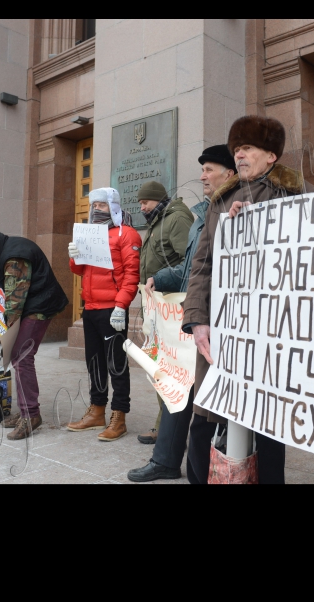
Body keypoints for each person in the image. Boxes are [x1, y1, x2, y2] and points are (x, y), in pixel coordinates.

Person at [183, 116, 314, 485]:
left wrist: (253, 225)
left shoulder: (290, 196)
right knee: (207, 416)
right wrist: (197, 320)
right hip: (222, 328)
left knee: (266, 421)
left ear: (271, 156)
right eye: (237, 149)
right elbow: (203, 266)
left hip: (268, 331)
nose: (240, 155)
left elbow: (303, 257)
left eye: (249, 148)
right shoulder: (219, 201)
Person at [128, 145, 237, 482]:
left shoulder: (237, 211)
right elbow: (191, 269)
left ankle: (221, 467)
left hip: (219, 323)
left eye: (210, 169)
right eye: (202, 169)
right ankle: (165, 461)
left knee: (212, 406)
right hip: (192, 322)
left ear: (230, 173)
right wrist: (158, 277)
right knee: (178, 391)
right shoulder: (201, 213)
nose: (202, 175)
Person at [0, 227, 69, 441]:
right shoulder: (9, 248)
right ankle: (25, 411)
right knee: (18, 357)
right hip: (35, 304)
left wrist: (9, 329)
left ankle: (31, 415)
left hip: (39, 307)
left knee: (22, 357)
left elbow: (15, 297)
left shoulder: (14, 256)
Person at [66, 188, 142, 442]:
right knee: (95, 363)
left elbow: (131, 275)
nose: (96, 209)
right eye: (94, 205)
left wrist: (121, 306)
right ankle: (97, 410)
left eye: (102, 204)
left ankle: (118, 416)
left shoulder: (126, 234)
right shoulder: (90, 233)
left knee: (116, 365)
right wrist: (74, 257)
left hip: (112, 310)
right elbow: (82, 271)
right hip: (91, 308)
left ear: (114, 206)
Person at [137, 181, 194, 445]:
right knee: (160, 366)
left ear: (157, 199)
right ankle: (164, 426)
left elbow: (190, 261)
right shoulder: (159, 220)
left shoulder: (177, 218)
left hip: (172, 305)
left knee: (171, 369)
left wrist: (161, 279)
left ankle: (169, 431)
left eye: (144, 202)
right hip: (157, 305)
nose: (141, 207)